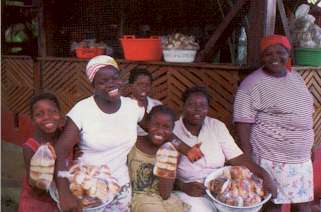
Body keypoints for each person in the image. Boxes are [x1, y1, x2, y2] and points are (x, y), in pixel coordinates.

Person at [54, 56, 202, 212]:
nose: (111, 84)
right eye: (103, 81)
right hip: (87, 185)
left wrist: (187, 150)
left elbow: (161, 131)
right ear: (93, 85)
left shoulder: (132, 107)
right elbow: (61, 152)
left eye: (114, 78)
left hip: (121, 186)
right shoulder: (82, 110)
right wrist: (65, 193)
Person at [233, 34, 314, 212]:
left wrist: (310, 149)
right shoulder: (252, 84)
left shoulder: (296, 77)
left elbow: (306, 114)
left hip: (301, 158)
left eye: (280, 52)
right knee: (273, 205)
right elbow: (242, 122)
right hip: (270, 158)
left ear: (288, 54)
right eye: (268, 54)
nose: (275, 57)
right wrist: (248, 158)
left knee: (303, 205)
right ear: (262, 57)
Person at [173, 86, 276, 212]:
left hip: (222, 187)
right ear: (182, 106)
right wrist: (183, 186)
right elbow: (160, 172)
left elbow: (238, 158)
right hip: (191, 191)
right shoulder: (173, 131)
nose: (197, 109)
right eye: (191, 104)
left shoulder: (216, 126)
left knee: (247, 203)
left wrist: (265, 176)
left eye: (203, 105)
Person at [128, 105, 190, 212]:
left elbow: (165, 194)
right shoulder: (132, 142)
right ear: (147, 124)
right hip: (140, 198)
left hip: (166, 200)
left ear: (172, 130)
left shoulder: (171, 152)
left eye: (166, 127)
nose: (160, 131)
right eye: (155, 125)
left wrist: (166, 167)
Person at [19, 92, 63, 212]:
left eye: (52, 111)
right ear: (33, 119)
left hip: (62, 200)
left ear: (60, 114)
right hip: (38, 204)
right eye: (39, 114)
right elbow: (37, 189)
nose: (47, 117)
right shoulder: (30, 148)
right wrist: (46, 163)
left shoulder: (66, 137)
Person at [128, 68, 162, 136]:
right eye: (140, 84)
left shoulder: (157, 105)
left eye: (147, 84)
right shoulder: (125, 105)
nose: (144, 88)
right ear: (130, 87)